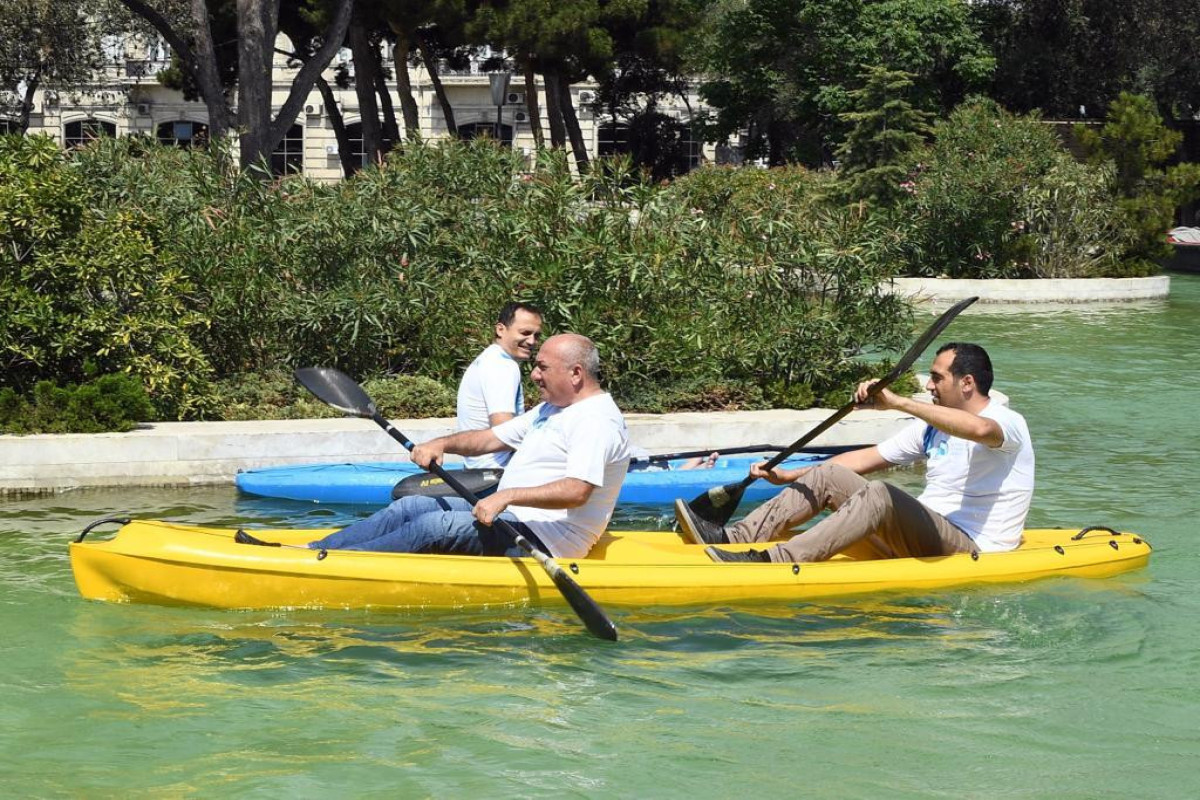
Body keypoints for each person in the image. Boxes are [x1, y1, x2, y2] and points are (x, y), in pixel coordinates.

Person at [676, 342, 1035, 564]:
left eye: (936, 377)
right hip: (925, 534)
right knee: (828, 472)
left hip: (971, 546)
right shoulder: (932, 427)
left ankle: (778, 560)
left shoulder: (1006, 420)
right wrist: (790, 475)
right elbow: (862, 460)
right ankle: (734, 538)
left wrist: (897, 402)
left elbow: (980, 431)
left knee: (881, 493)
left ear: (967, 383)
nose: (929, 384)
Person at [290, 334, 633, 559]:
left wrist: (504, 496)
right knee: (410, 507)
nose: (534, 375)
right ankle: (311, 552)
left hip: (551, 540)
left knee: (433, 527)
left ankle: (334, 566)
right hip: (513, 518)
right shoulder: (554, 408)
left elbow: (577, 491)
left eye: (542, 368)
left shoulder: (596, 421)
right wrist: (442, 443)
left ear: (575, 373)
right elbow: (489, 439)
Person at [457, 301, 543, 468]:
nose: (532, 341)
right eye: (525, 333)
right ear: (500, 330)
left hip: (477, 467)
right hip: (497, 472)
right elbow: (504, 429)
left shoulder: (489, 358)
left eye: (536, 335)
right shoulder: (502, 366)